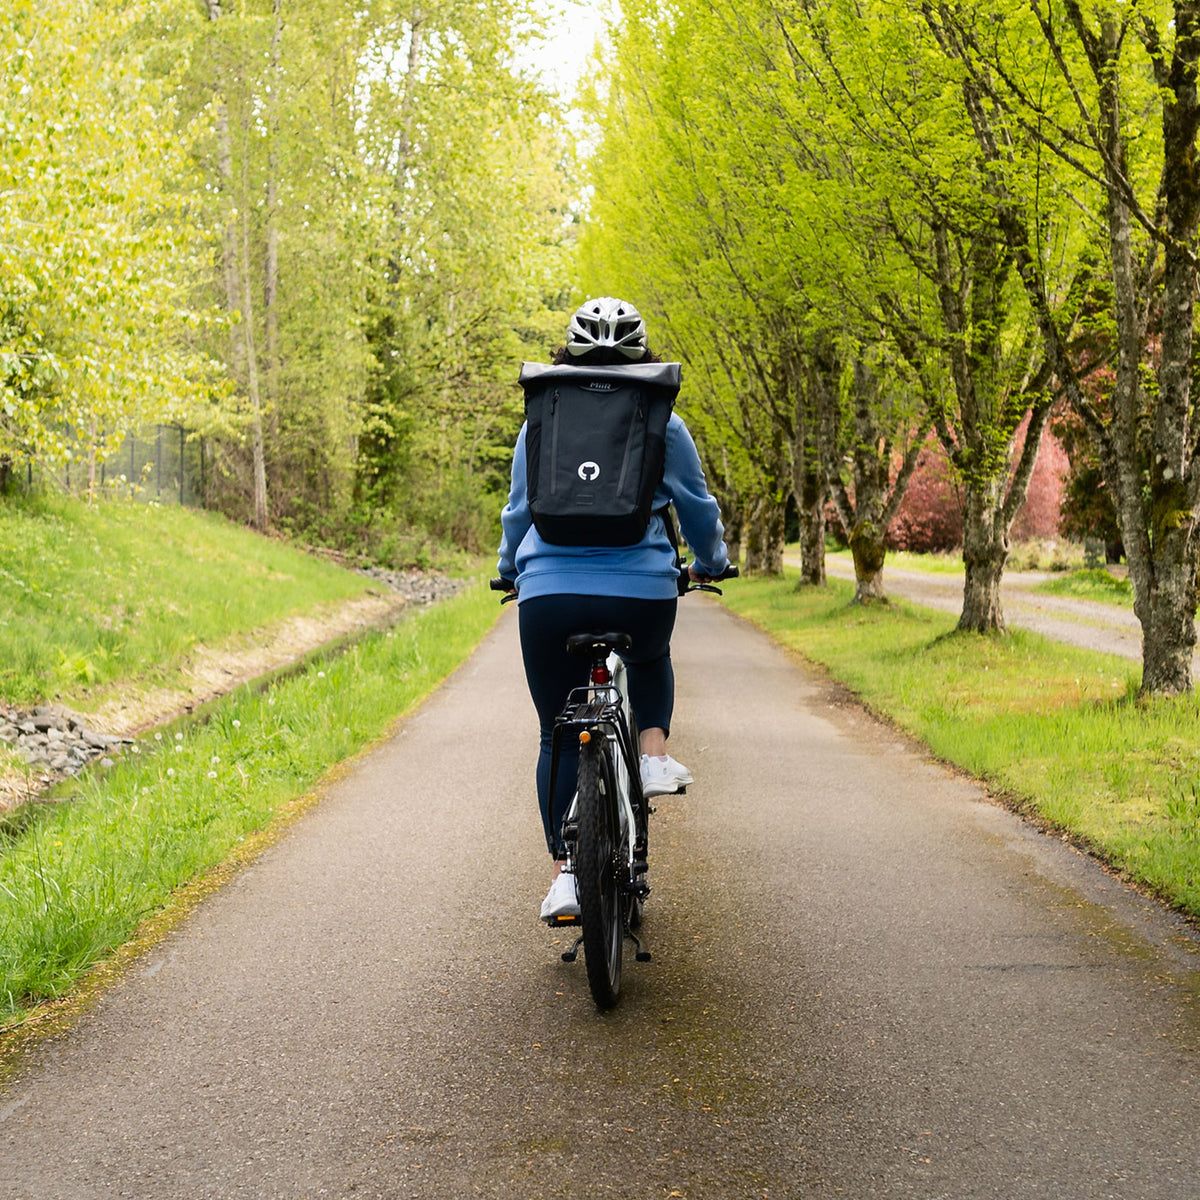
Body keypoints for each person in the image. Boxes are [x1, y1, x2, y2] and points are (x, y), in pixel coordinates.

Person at [496, 296, 730, 921]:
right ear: (643, 355)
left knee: (557, 731)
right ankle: (651, 758)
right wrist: (711, 560)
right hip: (642, 589)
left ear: (566, 353)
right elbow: (697, 507)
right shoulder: (663, 419)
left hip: (548, 592)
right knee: (650, 653)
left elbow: (519, 511)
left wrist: (507, 571)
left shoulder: (539, 417)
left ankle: (566, 879)